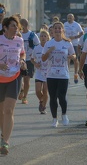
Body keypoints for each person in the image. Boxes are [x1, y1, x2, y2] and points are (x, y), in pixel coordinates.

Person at [0, 16, 27, 155]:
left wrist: (22, 61)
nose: (16, 28)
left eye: (17, 26)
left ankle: (5, 141)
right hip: (0, 78)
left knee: (9, 110)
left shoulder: (19, 40)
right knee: (1, 111)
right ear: (5, 27)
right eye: (13, 26)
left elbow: (22, 53)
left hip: (14, 76)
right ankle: (2, 134)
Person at [42, 22, 75, 127]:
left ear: (62, 30)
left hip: (63, 74)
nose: (57, 30)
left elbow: (73, 54)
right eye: (55, 28)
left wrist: (73, 57)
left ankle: (64, 115)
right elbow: (43, 58)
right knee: (52, 97)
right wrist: (49, 51)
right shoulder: (48, 44)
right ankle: (54, 119)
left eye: (59, 28)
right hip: (51, 74)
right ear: (52, 31)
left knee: (62, 96)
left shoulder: (67, 43)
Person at [19, 18, 40, 104]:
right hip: (19, 59)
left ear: (25, 25)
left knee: (27, 79)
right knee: (19, 78)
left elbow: (38, 45)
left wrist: (34, 54)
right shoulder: (18, 35)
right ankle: (21, 89)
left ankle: (25, 97)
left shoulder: (32, 35)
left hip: (29, 60)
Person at [31, 30, 50, 114]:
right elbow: (32, 59)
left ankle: (43, 107)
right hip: (39, 72)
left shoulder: (50, 47)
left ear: (47, 38)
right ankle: (42, 100)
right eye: (41, 36)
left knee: (45, 90)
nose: (43, 37)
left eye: (44, 36)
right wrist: (35, 64)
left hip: (48, 72)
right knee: (38, 91)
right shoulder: (36, 48)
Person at [64, 14, 84, 84]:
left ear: (73, 18)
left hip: (75, 43)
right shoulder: (65, 24)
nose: (69, 19)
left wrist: (75, 37)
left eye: (70, 18)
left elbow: (82, 33)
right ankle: (67, 75)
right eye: (68, 18)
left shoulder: (77, 25)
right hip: (66, 43)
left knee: (75, 59)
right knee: (67, 59)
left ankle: (76, 74)